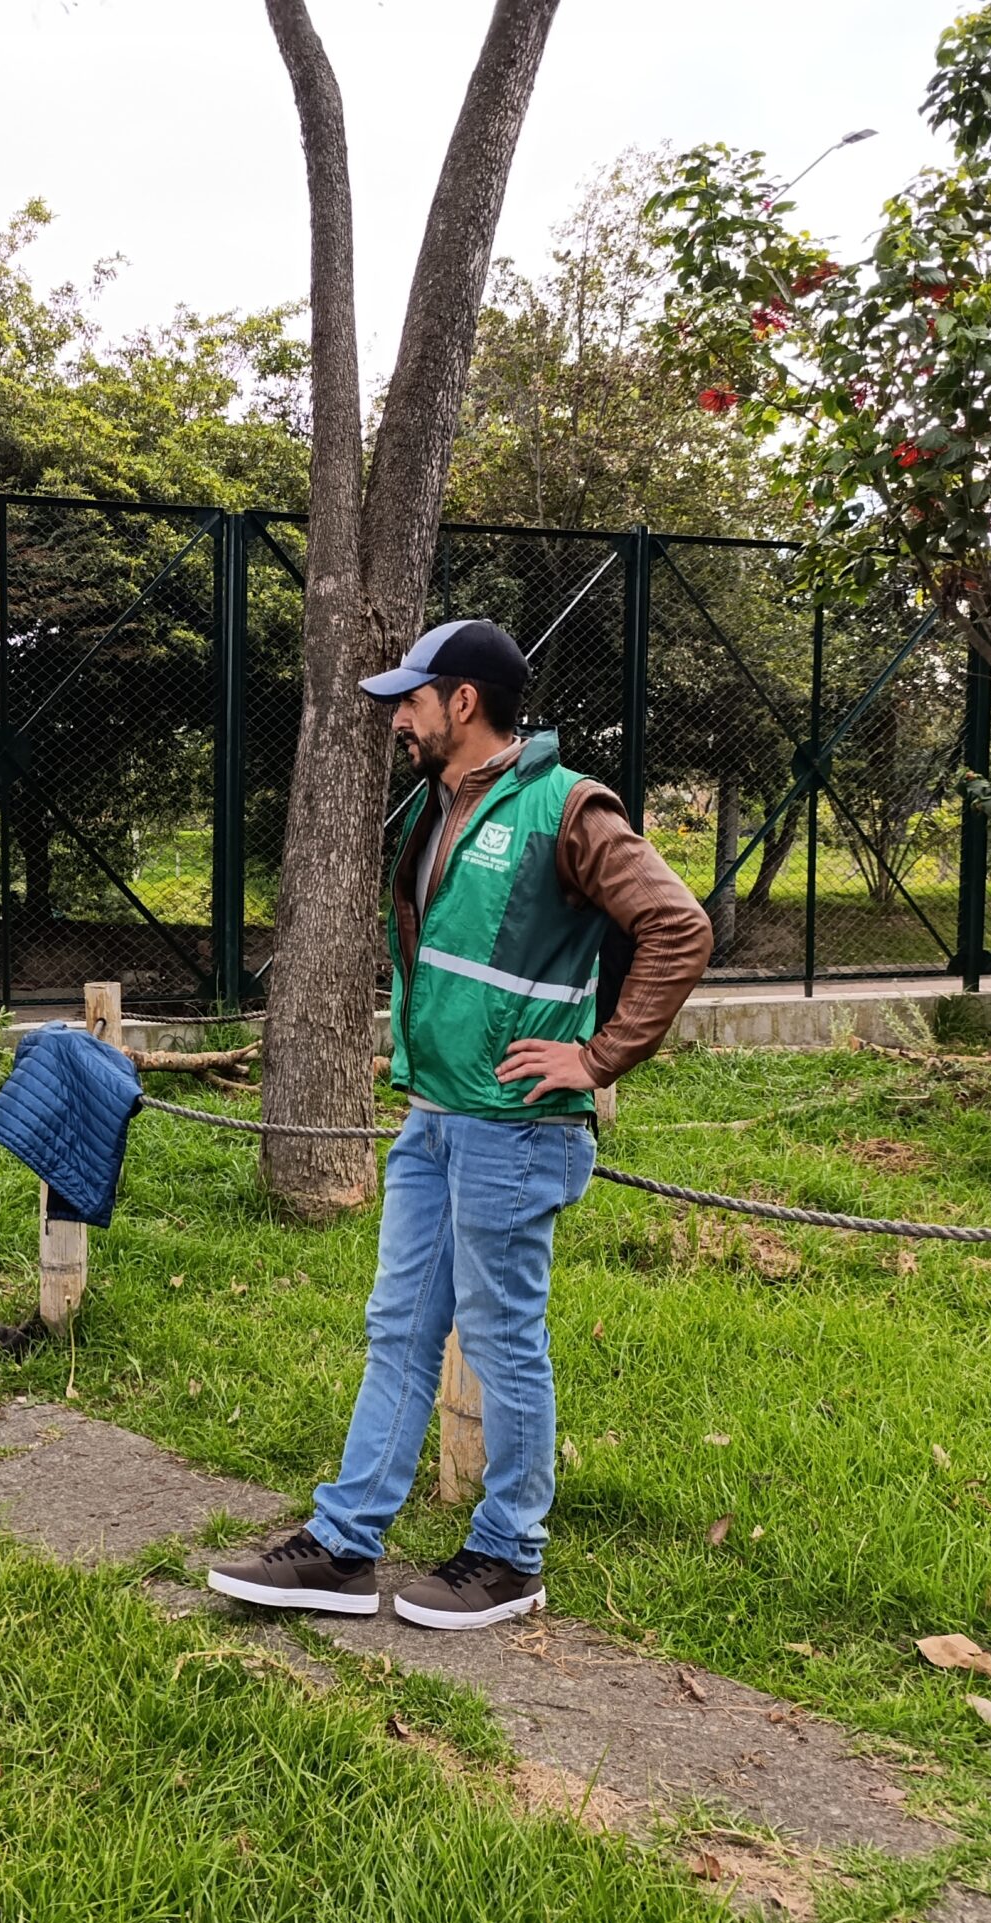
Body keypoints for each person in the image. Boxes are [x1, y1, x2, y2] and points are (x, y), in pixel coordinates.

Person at [209, 620, 712, 1631]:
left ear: (463, 701)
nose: (399, 716)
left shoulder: (565, 807)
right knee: (397, 1328)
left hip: (516, 1130)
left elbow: (677, 923)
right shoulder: (440, 805)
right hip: (436, 1117)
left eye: (412, 698)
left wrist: (598, 1054)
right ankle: (345, 1544)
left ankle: (507, 1555)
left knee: (500, 1338)